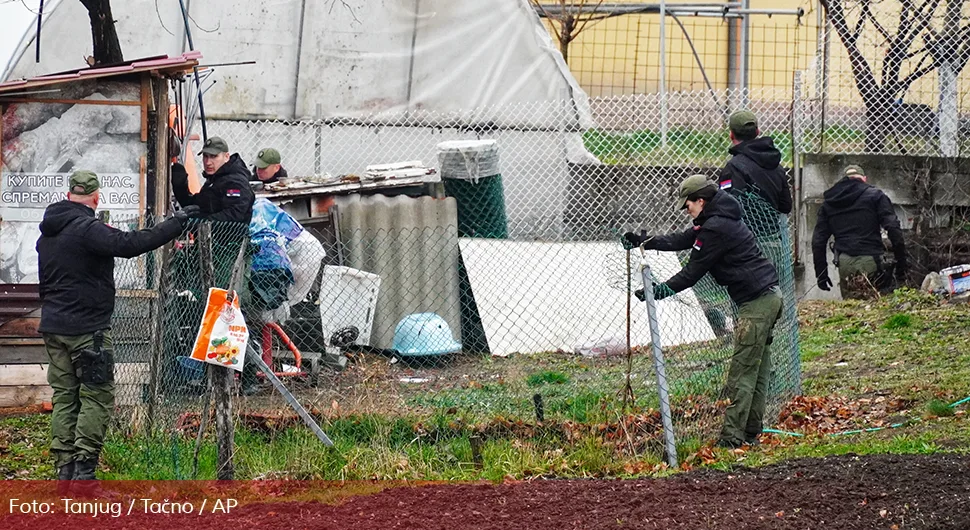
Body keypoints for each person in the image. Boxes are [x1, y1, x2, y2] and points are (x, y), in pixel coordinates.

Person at [36, 170, 198, 486]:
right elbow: (130, 243)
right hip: (88, 331)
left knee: (65, 398)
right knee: (96, 397)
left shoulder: (47, 235)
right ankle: (85, 475)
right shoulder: (87, 228)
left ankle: (64, 472)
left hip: (54, 328)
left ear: (69, 195)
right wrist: (176, 223)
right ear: (96, 198)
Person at [624, 174, 782, 449]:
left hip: (757, 304)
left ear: (701, 200)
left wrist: (659, 291)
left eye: (688, 206)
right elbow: (682, 239)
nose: (687, 211)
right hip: (767, 297)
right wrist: (644, 241)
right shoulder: (717, 220)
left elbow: (692, 272)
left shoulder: (716, 228)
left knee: (742, 372)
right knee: (757, 369)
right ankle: (751, 431)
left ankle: (732, 439)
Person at [812, 165, 907, 299]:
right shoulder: (875, 196)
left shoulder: (830, 202)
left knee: (850, 309)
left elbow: (818, 241)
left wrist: (821, 274)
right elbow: (893, 229)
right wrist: (901, 266)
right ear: (864, 179)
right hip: (871, 260)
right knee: (875, 309)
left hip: (844, 262)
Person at [717, 110, 792, 216]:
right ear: (757, 132)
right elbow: (785, 206)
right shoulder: (776, 164)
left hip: (742, 231)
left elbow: (726, 207)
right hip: (773, 231)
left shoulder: (733, 168)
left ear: (731, 135)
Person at [171, 136, 255, 223]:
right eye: (205, 156)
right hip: (211, 234)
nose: (208, 162)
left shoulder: (235, 182)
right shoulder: (215, 179)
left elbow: (234, 215)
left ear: (226, 157)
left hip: (227, 235)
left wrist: (201, 222)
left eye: (213, 156)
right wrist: (180, 186)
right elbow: (198, 205)